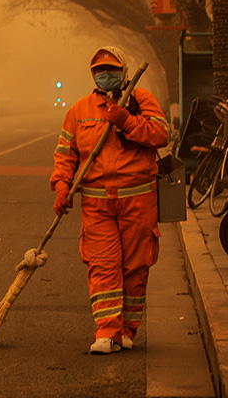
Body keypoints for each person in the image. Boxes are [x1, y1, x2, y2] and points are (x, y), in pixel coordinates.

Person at [50, 46, 170, 354]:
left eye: (112, 69)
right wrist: (62, 187)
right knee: (103, 265)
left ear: (124, 72)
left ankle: (128, 330)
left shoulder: (141, 101)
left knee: (134, 267)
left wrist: (127, 121)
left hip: (138, 200)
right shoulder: (78, 110)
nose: (106, 75)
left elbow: (160, 134)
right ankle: (106, 330)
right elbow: (66, 155)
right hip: (96, 204)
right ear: (93, 75)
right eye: (100, 70)